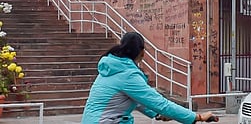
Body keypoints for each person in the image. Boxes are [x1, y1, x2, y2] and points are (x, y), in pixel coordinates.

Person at [82, 32, 217, 123]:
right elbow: (160, 103)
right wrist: (196, 117)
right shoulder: (128, 75)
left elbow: (138, 100)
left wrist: (156, 114)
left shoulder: (112, 68)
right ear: (141, 51)